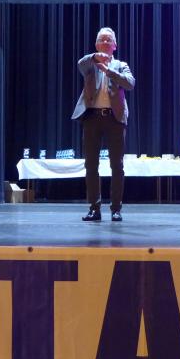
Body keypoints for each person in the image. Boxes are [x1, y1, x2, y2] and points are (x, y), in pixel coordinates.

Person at [71, 27, 135, 222]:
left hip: (115, 118)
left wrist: (110, 71)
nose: (105, 42)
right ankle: (94, 208)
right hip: (92, 117)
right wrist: (94, 57)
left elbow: (130, 83)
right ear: (97, 44)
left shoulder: (121, 65)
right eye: (102, 40)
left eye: (109, 40)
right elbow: (80, 64)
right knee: (91, 165)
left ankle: (116, 209)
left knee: (117, 165)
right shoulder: (90, 63)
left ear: (115, 45)